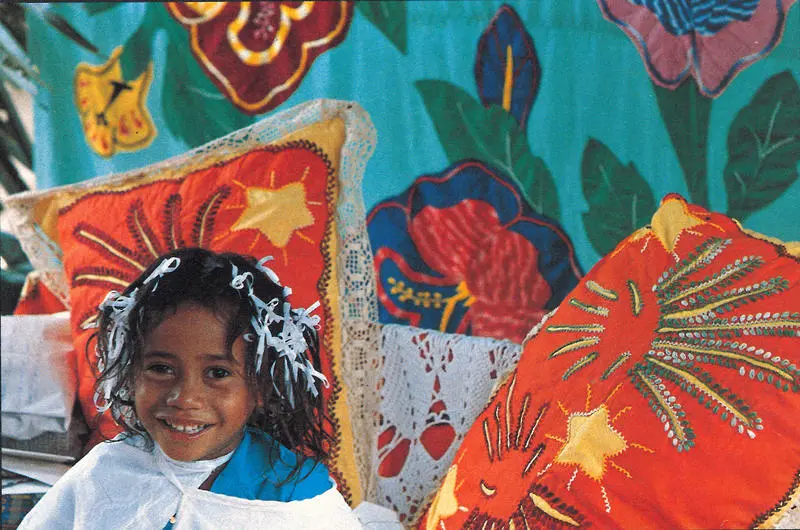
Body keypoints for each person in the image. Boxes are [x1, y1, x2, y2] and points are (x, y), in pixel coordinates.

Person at [19, 247, 362, 529]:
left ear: (262, 386)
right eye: (160, 368)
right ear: (130, 372)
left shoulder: (297, 497)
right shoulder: (107, 472)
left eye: (217, 372)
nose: (183, 397)